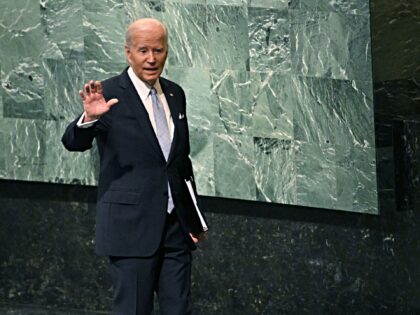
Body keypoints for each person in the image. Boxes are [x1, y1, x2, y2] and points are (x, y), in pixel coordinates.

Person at [62, 18, 207, 315]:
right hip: (131, 229)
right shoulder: (108, 94)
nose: (151, 59)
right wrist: (89, 119)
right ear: (128, 53)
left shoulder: (175, 93)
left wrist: (193, 218)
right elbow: (73, 142)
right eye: (143, 50)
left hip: (174, 229)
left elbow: (180, 163)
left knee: (179, 310)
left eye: (158, 50)